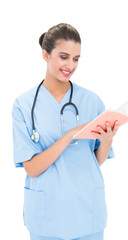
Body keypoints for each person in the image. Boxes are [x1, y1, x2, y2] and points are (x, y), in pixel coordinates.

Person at [12, 23, 119, 240]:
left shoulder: (92, 101)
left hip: (88, 210)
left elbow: (93, 161)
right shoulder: (23, 105)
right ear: (45, 55)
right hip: (47, 215)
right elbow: (31, 168)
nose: (70, 65)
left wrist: (107, 141)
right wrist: (70, 135)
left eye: (76, 58)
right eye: (64, 56)